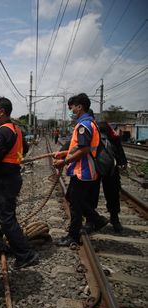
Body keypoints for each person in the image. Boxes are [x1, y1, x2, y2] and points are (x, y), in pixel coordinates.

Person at [0, 97, 39, 269]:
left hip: (5, 180)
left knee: (6, 219)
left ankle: (26, 254)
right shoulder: (15, 129)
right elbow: (25, 148)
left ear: (1, 112)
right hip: (10, 177)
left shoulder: (2, 132)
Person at [53, 93, 107, 246]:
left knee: (75, 203)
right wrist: (64, 153)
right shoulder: (88, 123)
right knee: (72, 197)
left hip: (83, 170)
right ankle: (97, 219)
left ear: (80, 107)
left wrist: (64, 161)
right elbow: (78, 147)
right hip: (84, 169)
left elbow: (84, 150)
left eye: (73, 107)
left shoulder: (83, 125)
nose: (71, 110)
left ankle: (73, 236)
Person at [90, 120, 127, 233]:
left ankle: (91, 220)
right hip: (111, 170)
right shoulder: (113, 137)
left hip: (94, 169)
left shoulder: (92, 137)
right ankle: (115, 219)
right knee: (112, 194)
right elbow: (120, 153)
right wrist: (122, 162)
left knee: (92, 193)